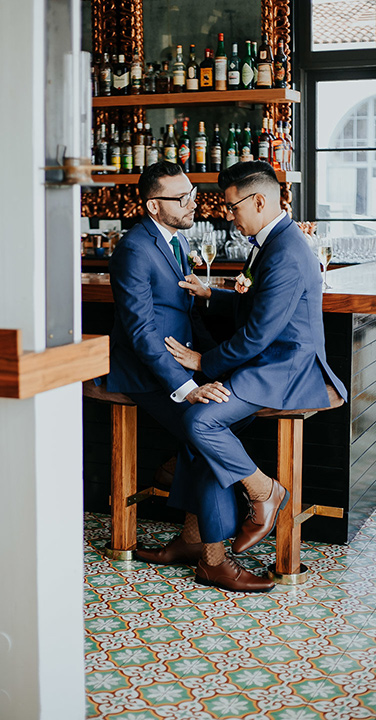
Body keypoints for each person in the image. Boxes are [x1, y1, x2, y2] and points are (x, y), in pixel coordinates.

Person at [160, 160, 347, 588]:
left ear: (259, 200)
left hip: (284, 367)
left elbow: (259, 335)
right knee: (201, 434)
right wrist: (215, 294)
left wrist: (203, 362)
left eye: (231, 207)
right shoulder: (274, 238)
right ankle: (198, 544)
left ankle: (265, 493)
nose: (228, 215)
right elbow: (258, 307)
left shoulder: (285, 250)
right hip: (267, 361)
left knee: (200, 420)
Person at [107, 160, 276, 592]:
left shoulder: (174, 241)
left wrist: (213, 361)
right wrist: (188, 387)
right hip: (145, 374)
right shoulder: (134, 249)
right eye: (180, 198)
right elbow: (142, 333)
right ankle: (213, 562)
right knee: (207, 433)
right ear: (152, 207)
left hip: (181, 364)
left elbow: (183, 312)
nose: (192, 203)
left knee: (221, 424)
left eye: (192, 194)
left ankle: (188, 536)